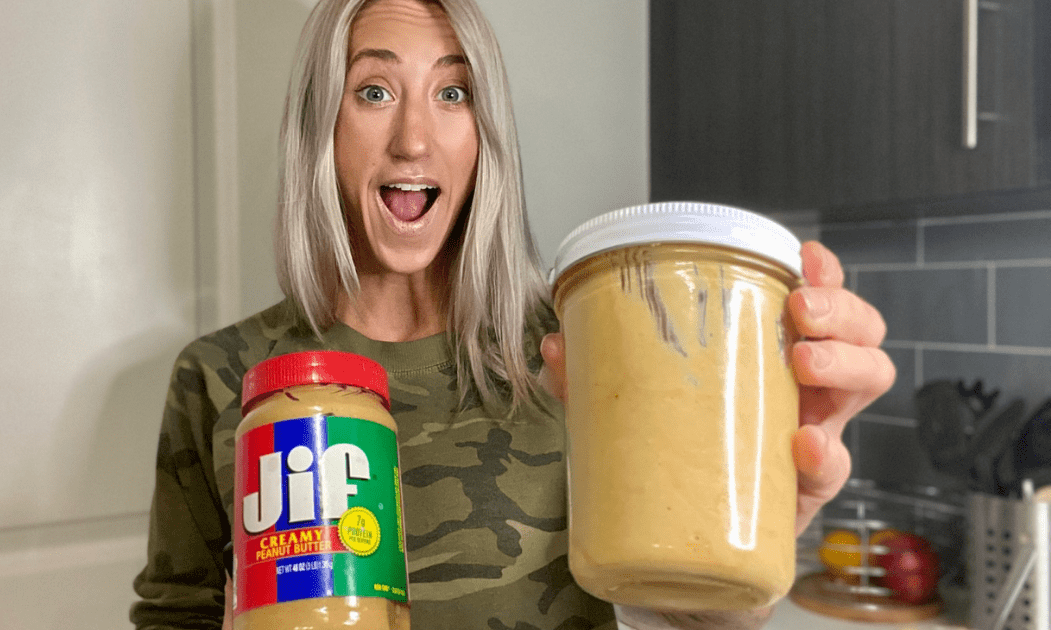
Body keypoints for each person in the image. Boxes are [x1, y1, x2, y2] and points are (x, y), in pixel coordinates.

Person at [129, 0, 896, 628]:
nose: (414, 138)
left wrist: (748, 550)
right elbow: (174, 615)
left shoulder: (580, 349)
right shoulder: (222, 377)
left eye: (453, 92)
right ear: (320, 129)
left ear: (486, 135)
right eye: (373, 90)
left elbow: (694, 616)